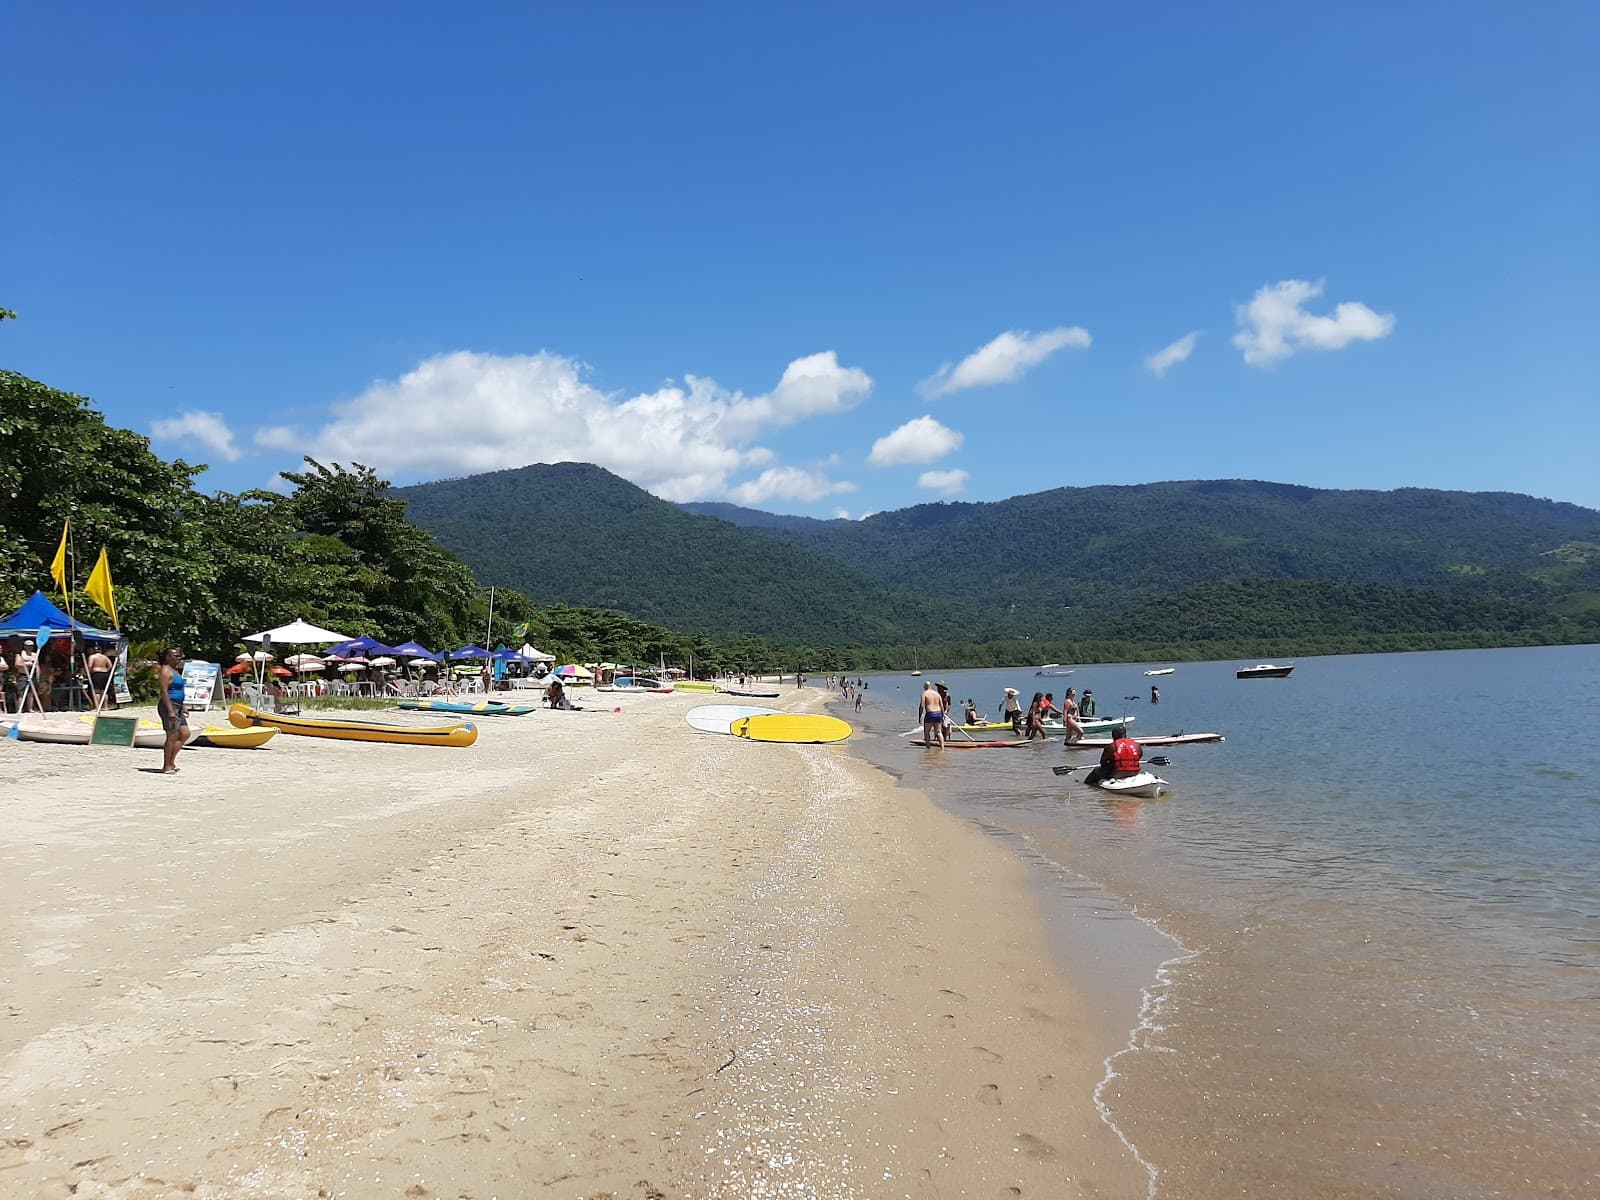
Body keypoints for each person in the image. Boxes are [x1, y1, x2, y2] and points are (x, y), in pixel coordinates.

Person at [157, 648, 189, 774]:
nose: (178, 658)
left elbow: (178, 689)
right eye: (176, 656)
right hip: (169, 705)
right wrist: (170, 710)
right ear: (168, 657)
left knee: (185, 733)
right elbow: (164, 691)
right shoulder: (165, 671)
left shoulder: (175, 670)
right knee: (172, 735)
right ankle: (167, 765)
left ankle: (171, 761)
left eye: (179, 655)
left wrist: (183, 705)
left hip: (178, 705)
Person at [87, 646, 115, 710]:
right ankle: (105, 707)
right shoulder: (105, 657)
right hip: (105, 673)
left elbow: (90, 666)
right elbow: (110, 665)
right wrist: (106, 670)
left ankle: (97, 707)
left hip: (96, 673)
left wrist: (90, 672)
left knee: (97, 691)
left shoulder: (92, 657)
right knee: (104, 691)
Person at [918, 679, 945, 747]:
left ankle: (928, 747)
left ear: (926, 686)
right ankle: (942, 748)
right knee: (939, 732)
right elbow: (941, 706)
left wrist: (920, 716)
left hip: (930, 713)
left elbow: (922, 706)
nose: (923, 687)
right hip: (938, 713)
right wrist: (942, 715)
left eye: (924, 686)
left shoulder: (924, 693)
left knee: (927, 732)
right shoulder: (937, 694)